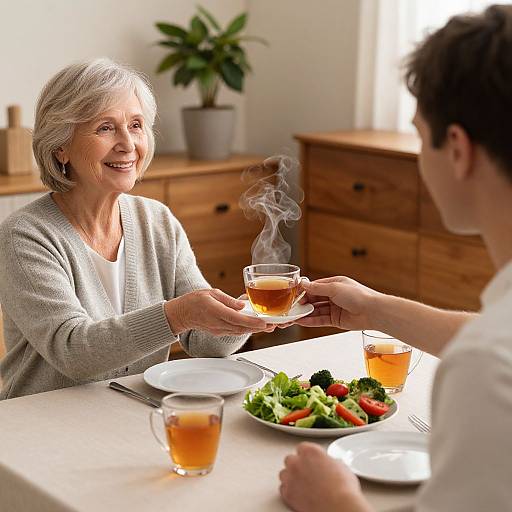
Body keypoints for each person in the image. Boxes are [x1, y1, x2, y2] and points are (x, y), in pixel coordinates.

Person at [279, 4, 512, 511]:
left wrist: (335, 501)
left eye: (416, 130)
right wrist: (375, 308)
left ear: (457, 148)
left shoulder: (485, 371)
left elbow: (492, 354)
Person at [0, 58, 269, 400]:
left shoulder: (157, 221)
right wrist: (178, 315)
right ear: (60, 148)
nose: (128, 144)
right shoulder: (24, 236)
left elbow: (205, 344)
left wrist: (248, 313)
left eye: (137, 125)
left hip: (133, 413)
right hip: (42, 428)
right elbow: (74, 352)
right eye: (105, 128)